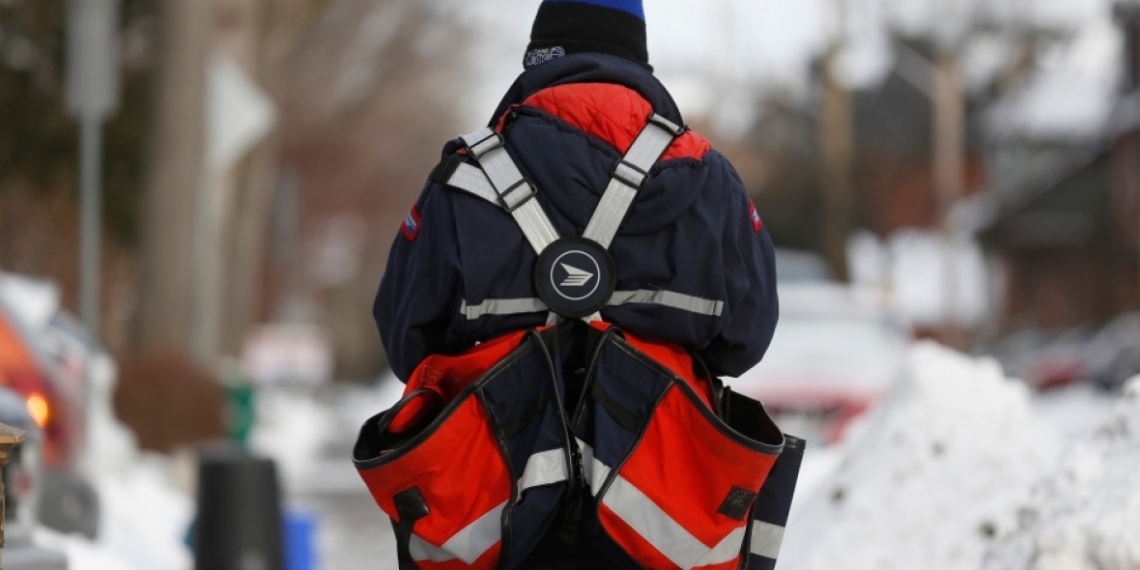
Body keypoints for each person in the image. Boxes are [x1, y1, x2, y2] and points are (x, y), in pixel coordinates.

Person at [364, 1, 791, 568]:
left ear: (539, 56)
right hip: (656, 524)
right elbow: (747, 338)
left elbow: (405, 338)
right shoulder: (711, 181)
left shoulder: (465, 178)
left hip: (496, 523)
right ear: (638, 56)